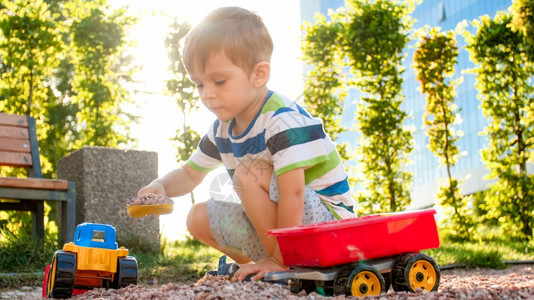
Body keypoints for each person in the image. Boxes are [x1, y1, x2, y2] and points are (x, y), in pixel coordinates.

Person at [137, 6, 356, 282]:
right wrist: (161, 187)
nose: (208, 95)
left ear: (258, 75)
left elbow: (294, 192)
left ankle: (280, 264)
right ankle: (257, 268)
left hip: (328, 227)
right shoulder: (221, 130)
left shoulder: (282, 120)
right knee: (198, 217)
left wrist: (280, 258)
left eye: (219, 81)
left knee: (248, 173)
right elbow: (190, 174)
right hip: (281, 228)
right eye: (200, 84)